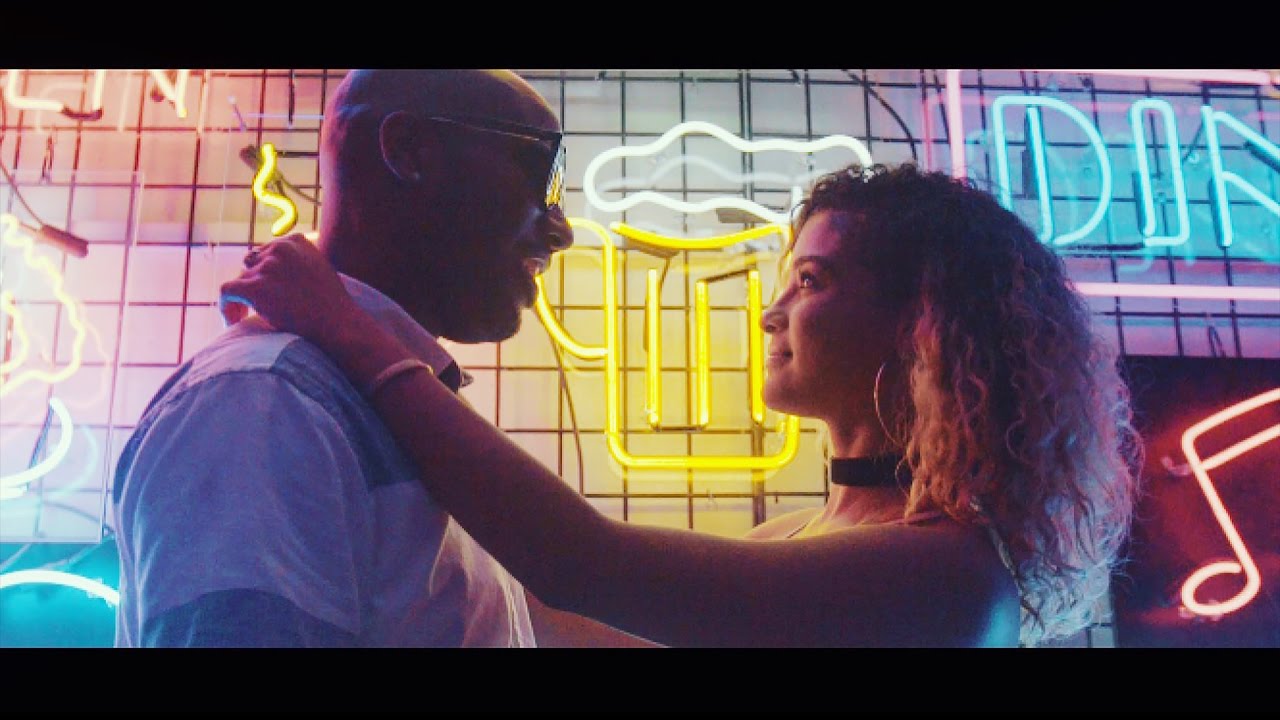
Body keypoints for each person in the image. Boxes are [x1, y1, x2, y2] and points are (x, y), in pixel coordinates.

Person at [221, 162, 1143, 647]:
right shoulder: (799, 535)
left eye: (812, 281)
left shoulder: (948, 575)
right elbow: (558, 613)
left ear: (921, 325)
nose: (772, 312)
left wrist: (356, 334)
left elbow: (582, 564)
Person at [111, 69, 648, 647]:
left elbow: (582, 564)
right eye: (542, 170)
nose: (563, 230)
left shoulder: (357, 411)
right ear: (410, 150)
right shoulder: (265, 403)